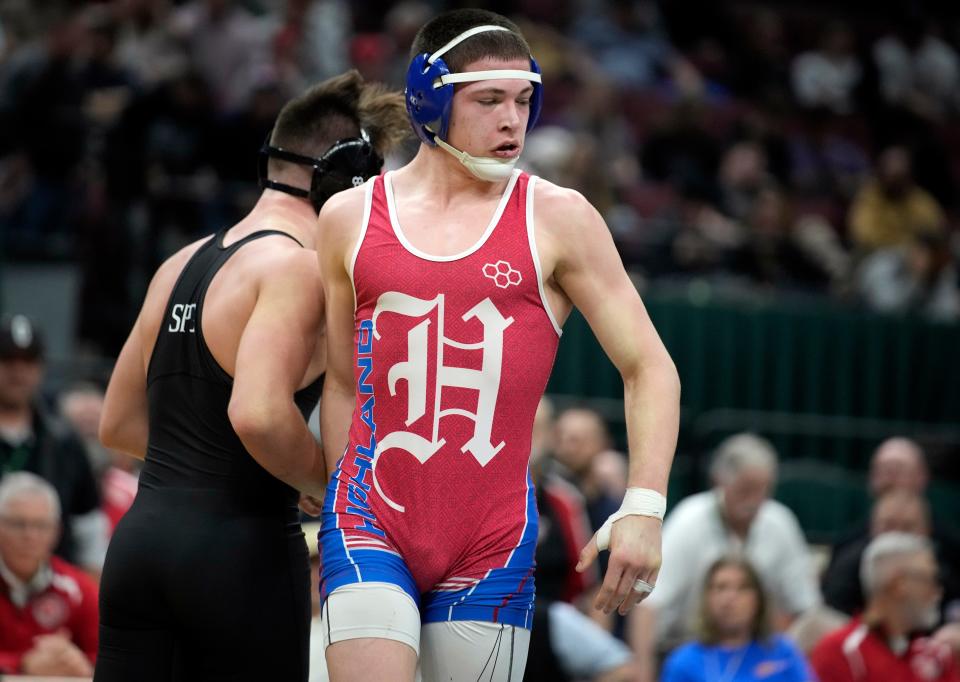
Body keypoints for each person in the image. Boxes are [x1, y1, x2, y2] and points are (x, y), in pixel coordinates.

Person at [315, 9, 681, 681]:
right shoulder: (349, 217)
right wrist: (333, 509)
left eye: (523, 99)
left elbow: (649, 366)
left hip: (490, 538)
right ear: (430, 101)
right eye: (489, 100)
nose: (513, 119)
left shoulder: (559, 218)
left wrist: (644, 507)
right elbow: (341, 382)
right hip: (369, 517)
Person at [93, 71, 408, 682]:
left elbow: (119, 424)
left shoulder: (180, 262)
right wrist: (323, 483)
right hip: (239, 553)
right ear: (350, 179)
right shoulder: (297, 268)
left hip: (140, 547)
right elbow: (258, 413)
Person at [632, 433, 820, 678]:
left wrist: (780, 652)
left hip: (760, 646)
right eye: (746, 489)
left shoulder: (780, 523)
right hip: (683, 644)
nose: (754, 500)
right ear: (719, 481)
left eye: (763, 490)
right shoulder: (688, 522)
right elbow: (648, 607)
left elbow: (806, 606)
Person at [0, 315, 107, 573]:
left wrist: (87, 595)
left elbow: (89, 527)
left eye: (28, 362)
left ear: (40, 369)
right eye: (8, 361)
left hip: (50, 591)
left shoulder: (64, 441)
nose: (18, 372)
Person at [811, 533, 960, 681]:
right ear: (899, 585)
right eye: (930, 580)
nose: (937, 592)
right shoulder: (842, 654)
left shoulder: (937, 657)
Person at [0, 472, 98, 677]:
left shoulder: (79, 589)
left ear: (57, 532)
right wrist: (23, 664)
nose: (30, 536)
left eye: (41, 526)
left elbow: (107, 657)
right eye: (18, 524)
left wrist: (79, 663)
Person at [661, 556, 814, 682]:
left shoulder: (783, 653)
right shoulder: (684, 662)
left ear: (758, 599)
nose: (730, 598)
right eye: (721, 587)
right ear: (707, 598)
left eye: (742, 588)